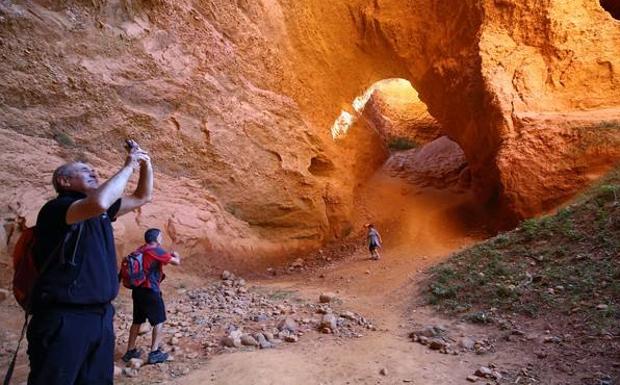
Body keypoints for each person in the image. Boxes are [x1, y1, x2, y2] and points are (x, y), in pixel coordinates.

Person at [27, 140, 153, 385]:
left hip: (101, 316)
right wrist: (129, 165)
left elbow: (142, 196)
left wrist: (146, 163)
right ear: (65, 182)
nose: (94, 173)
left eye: (94, 171)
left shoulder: (101, 212)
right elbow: (99, 202)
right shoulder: (57, 209)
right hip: (65, 318)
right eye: (86, 171)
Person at [122, 228, 181, 365]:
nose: (162, 239)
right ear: (157, 238)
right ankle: (154, 353)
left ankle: (130, 351)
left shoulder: (140, 250)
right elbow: (175, 262)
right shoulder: (156, 250)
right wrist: (177, 256)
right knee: (159, 321)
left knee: (137, 321)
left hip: (137, 290)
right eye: (161, 236)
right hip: (150, 290)